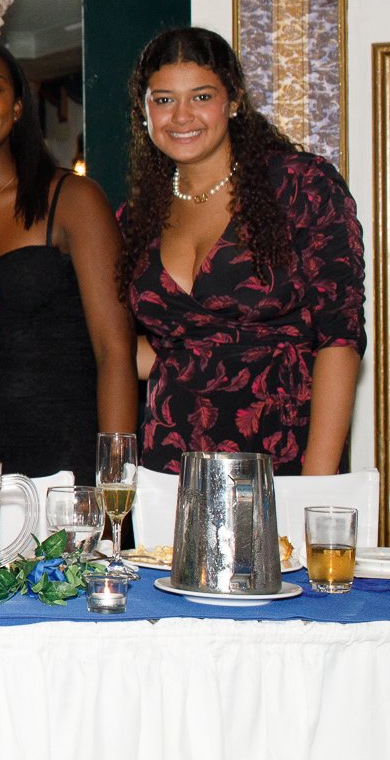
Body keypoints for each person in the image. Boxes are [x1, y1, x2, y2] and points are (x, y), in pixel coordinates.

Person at [118, 27, 364, 475]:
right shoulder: (134, 220)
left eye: (202, 96)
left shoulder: (300, 186)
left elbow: (340, 340)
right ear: (143, 110)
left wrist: (317, 487)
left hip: (283, 454)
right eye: (164, 99)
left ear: (233, 101)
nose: (181, 115)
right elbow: (156, 352)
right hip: (172, 466)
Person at [0, 36, 138, 476]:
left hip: (62, 456)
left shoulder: (73, 199)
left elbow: (115, 350)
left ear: (18, 106)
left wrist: (115, 478)